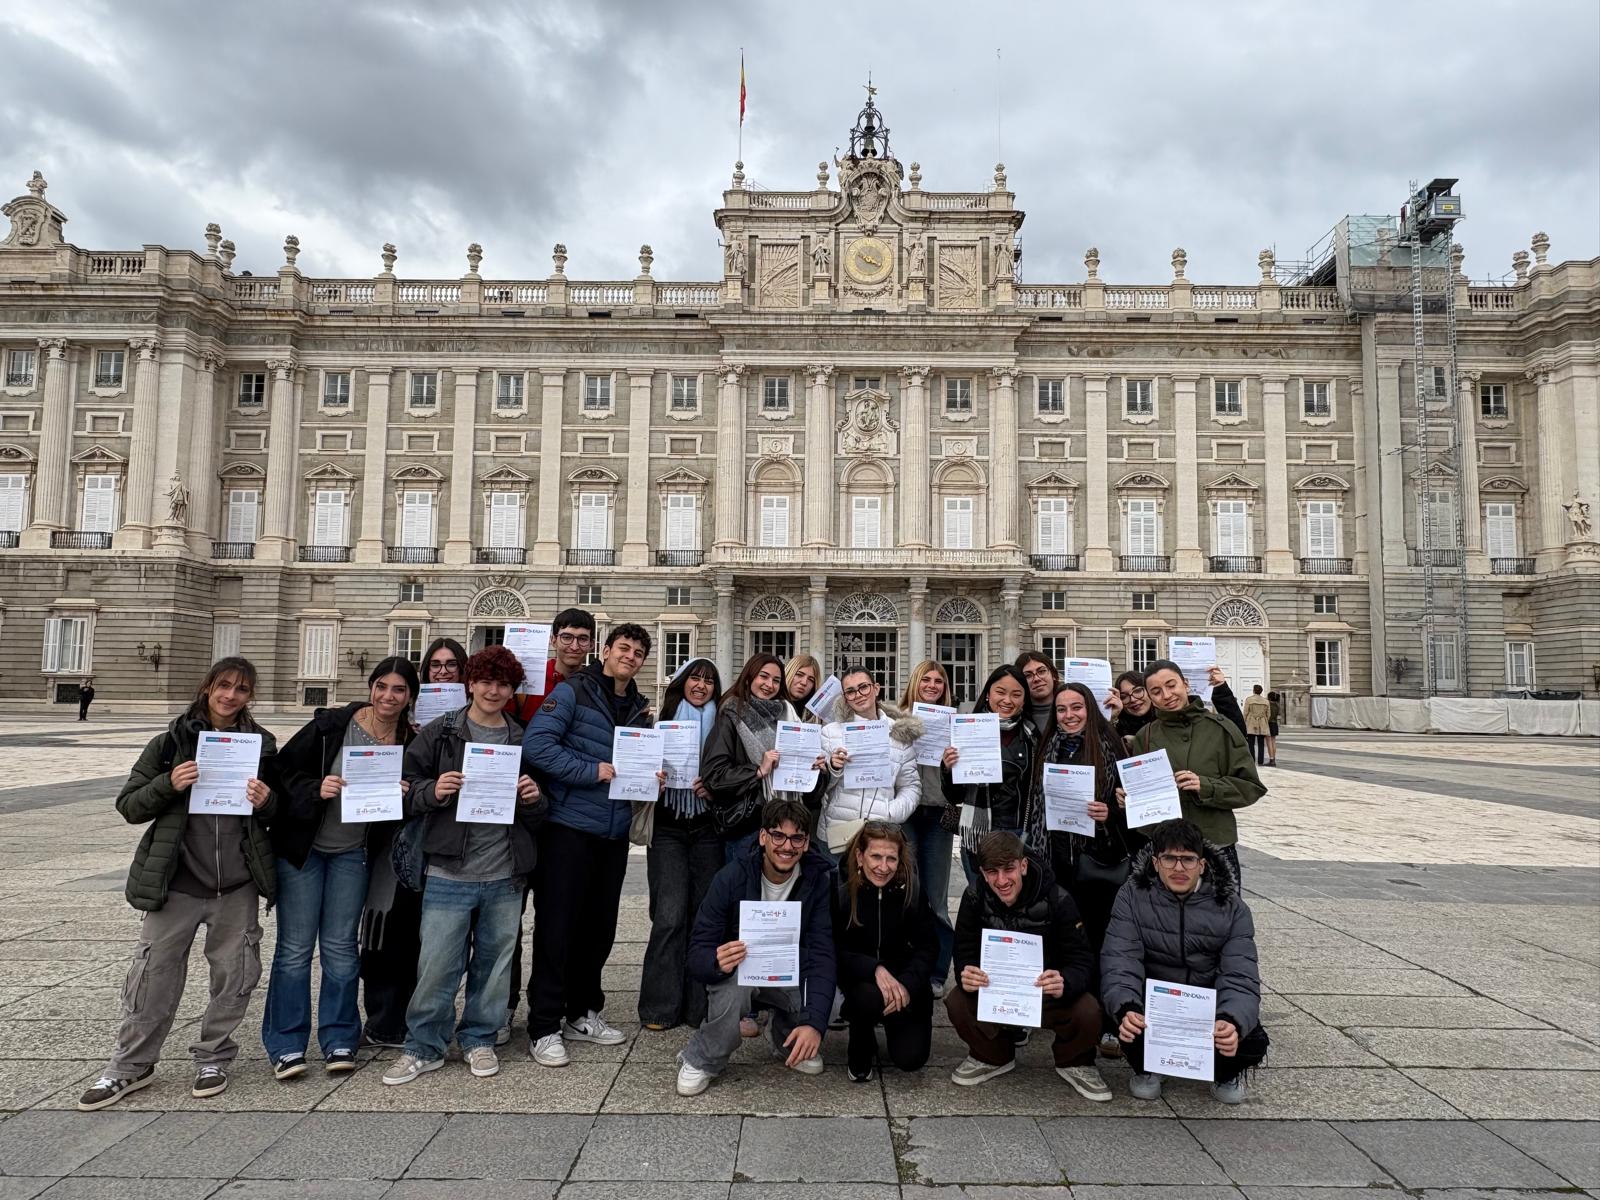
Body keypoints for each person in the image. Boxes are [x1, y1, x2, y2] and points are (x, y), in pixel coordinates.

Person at [78, 658, 278, 1110]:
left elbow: (279, 813)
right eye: (223, 685)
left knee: (235, 976)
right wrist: (169, 782)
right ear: (208, 687)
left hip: (238, 882)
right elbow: (129, 805)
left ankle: (214, 1057)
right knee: (153, 975)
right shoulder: (168, 743)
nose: (231, 696)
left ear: (250, 696)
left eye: (241, 689)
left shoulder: (262, 746)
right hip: (177, 881)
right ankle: (130, 1065)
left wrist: (267, 803)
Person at [382, 646, 545, 1085]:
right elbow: (408, 787)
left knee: (494, 966)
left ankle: (479, 1038)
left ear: (512, 690)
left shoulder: (522, 737)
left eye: (503, 684)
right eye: (486, 681)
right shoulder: (442, 732)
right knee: (436, 965)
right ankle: (424, 1045)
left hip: (505, 871)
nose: (494, 690)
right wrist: (434, 791)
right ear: (470, 683)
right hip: (448, 869)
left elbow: (540, 808)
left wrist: (533, 798)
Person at [264, 656, 418, 1080]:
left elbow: (403, 806)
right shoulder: (332, 726)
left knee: (341, 948)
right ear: (371, 688)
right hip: (306, 850)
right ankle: (286, 1044)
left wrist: (404, 791)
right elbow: (281, 772)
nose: (389, 696)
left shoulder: (408, 739)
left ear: (410, 697)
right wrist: (318, 788)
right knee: (294, 951)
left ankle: (339, 1037)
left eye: (399, 689)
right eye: (382, 686)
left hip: (353, 853)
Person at [522, 623, 656, 1067]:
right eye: (624, 647)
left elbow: (632, 766)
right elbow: (537, 745)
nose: (630, 656)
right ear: (606, 650)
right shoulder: (575, 692)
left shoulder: (638, 707)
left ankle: (582, 1011)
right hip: (568, 828)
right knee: (558, 927)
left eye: (638, 652)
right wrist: (589, 770)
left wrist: (651, 777)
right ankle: (543, 1025)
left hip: (613, 834)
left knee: (599, 929)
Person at [1100, 817, 1270, 1104]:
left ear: (1202, 864)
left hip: (1206, 1007)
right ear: (1155, 862)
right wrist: (1128, 1007)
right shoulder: (1132, 895)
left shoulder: (1232, 906)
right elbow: (1120, 960)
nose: (1179, 868)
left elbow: (1240, 974)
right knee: (1122, 1019)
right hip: (1155, 1005)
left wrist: (1232, 1020)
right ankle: (1148, 1068)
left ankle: (1223, 1074)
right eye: (1169, 858)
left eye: (1188, 859)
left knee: (1250, 1040)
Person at [675, 797, 836, 1096]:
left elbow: (823, 952)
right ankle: (703, 1058)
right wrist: (714, 961)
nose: (787, 846)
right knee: (733, 989)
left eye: (796, 838)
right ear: (763, 837)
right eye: (778, 835)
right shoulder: (730, 877)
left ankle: (787, 1038)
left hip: (787, 973)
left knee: (832, 999)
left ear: (806, 842)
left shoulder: (818, 880)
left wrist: (815, 1023)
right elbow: (697, 950)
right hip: (740, 973)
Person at [945, 832, 1110, 1101]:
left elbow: (1083, 960)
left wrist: (1064, 981)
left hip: (1043, 993)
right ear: (983, 874)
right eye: (992, 872)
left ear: (1023, 866)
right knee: (956, 1001)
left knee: (1088, 1010)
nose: (1001, 880)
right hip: (997, 990)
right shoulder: (974, 896)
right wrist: (968, 973)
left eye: (1009, 869)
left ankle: (1075, 1061)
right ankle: (993, 1056)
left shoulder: (1058, 899)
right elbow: (964, 950)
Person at [360, 637, 462, 1049]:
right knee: (387, 931)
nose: (443, 671)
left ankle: (422, 1017)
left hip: (440, 839)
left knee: (430, 935)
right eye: (435, 664)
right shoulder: (393, 725)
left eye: (451, 664)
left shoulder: (465, 721)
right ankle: (384, 1021)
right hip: (392, 841)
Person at [1032, 681, 1135, 1059]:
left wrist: (1110, 814)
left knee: (1098, 939)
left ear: (1089, 710)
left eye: (1077, 707)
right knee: (1064, 940)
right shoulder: (1048, 748)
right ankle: (1067, 1014)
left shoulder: (1111, 749)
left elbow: (1133, 810)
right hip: (1056, 858)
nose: (1069, 715)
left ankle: (1107, 1022)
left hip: (1098, 862)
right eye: (1062, 709)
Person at [506, 610, 593, 1033]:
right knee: (508, 916)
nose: (575, 645)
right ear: (555, 639)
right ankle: (504, 1006)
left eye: (583, 639)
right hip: (520, 806)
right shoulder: (527, 681)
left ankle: (559, 1005)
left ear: (593, 644)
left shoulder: (594, 686)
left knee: (561, 917)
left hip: (566, 813)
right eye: (568, 637)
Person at [639, 656, 724, 1031]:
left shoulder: (724, 723)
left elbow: (731, 768)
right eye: (695, 678)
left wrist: (715, 784)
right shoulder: (659, 720)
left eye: (708, 680)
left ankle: (698, 1007)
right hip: (668, 826)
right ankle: (659, 1007)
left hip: (708, 826)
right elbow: (637, 765)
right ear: (683, 681)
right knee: (669, 915)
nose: (701, 685)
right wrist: (650, 778)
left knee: (703, 916)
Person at [1123, 660, 1265, 885]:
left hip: (1213, 846)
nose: (1167, 695)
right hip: (1165, 852)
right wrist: (1131, 799)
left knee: (1219, 916)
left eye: (1172, 685)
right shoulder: (1145, 735)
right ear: (1150, 697)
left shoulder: (1221, 729)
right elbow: (1145, 793)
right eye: (1157, 691)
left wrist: (1205, 786)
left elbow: (1250, 787)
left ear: (1185, 684)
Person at [831, 822, 937, 1081]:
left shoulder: (911, 888)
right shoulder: (840, 888)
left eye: (891, 858)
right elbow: (833, 947)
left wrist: (907, 985)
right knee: (867, 998)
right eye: (875, 856)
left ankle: (892, 1021)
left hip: (903, 980)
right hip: (860, 981)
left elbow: (929, 946)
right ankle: (862, 1038)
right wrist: (873, 968)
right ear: (859, 856)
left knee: (911, 1060)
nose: (883, 866)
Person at [940, 665, 1040, 886]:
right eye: (1000, 692)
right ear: (988, 694)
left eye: (1016, 694)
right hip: (978, 833)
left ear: (1024, 700)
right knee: (980, 898)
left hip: (1017, 832)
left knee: (1014, 896)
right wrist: (948, 769)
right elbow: (954, 796)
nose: (1007, 700)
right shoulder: (965, 731)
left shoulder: (1032, 736)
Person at [897, 660, 958, 995]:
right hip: (904, 811)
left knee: (935, 897)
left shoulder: (955, 722)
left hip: (938, 812)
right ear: (915, 683)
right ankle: (904, 961)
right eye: (927, 680)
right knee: (904, 890)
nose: (933, 686)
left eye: (939, 681)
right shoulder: (897, 719)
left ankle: (937, 972)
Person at [818, 665, 922, 858]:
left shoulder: (898, 733)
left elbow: (911, 787)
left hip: (880, 836)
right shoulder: (831, 733)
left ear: (876, 688)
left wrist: (890, 814)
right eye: (850, 691)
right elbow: (820, 788)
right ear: (845, 697)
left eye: (863, 687)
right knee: (835, 887)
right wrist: (833, 767)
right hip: (838, 833)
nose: (858, 695)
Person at [1014, 651, 1060, 739]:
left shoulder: (1072, 711)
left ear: (1053, 674)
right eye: (1028, 676)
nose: (1036, 679)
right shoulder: (1015, 719)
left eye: (1042, 671)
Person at [1106, 670, 1155, 739]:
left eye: (1137, 691)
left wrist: (1137, 743)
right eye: (1124, 696)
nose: (1133, 699)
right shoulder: (1117, 724)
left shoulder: (1166, 719)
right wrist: (1112, 718)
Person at [784, 654, 822, 719]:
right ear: (789, 673)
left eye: (810, 679)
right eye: (799, 675)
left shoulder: (816, 714)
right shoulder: (771, 703)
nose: (804, 683)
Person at [1242, 685, 1272, 767]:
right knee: (1261, 743)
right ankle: (1260, 761)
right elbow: (1269, 714)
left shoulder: (1249, 700)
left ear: (1254, 691)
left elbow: (1245, 712)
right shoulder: (1266, 701)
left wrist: (1243, 722)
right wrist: (1265, 720)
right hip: (1262, 722)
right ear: (1261, 691)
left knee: (1250, 743)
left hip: (1251, 722)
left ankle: (1252, 760)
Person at [1266, 692, 1281, 767]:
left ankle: (1271, 759)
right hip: (1275, 724)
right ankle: (1273, 758)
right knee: (1273, 742)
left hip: (1269, 723)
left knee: (1269, 742)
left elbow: (1268, 715)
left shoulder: (1268, 704)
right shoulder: (1277, 705)